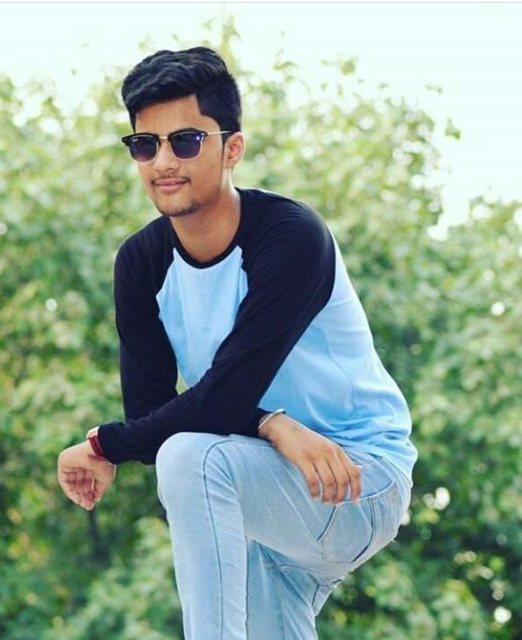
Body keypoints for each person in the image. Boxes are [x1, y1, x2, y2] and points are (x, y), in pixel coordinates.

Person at [57, 46, 418, 640]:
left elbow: (220, 399)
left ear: (232, 149)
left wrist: (103, 445)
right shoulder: (141, 263)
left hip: (356, 477)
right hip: (258, 494)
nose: (163, 162)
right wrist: (271, 424)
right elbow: (152, 414)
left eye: (186, 141)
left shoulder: (290, 237)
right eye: (145, 145)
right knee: (189, 453)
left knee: (189, 457)